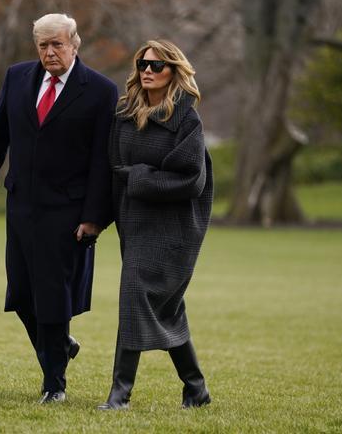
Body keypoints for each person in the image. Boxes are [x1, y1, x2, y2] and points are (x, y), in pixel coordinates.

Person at [0, 13, 118, 404]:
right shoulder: (16, 78)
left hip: (68, 210)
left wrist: (94, 216)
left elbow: (102, 161)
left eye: (57, 44)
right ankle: (60, 343)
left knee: (53, 294)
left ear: (74, 45)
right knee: (22, 294)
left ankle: (54, 385)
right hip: (21, 205)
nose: (50, 52)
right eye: (43, 45)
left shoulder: (99, 91)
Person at [99, 40, 213, 410]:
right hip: (134, 224)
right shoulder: (125, 113)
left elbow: (192, 180)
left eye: (157, 65)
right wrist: (100, 218)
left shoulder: (185, 119)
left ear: (174, 71)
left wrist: (141, 178)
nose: (148, 70)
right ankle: (196, 388)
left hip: (174, 229)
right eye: (143, 64)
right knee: (166, 308)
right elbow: (116, 171)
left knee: (133, 295)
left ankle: (120, 394)